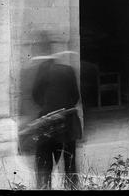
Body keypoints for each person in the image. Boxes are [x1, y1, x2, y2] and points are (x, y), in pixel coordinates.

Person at [31, 50, 82, 189]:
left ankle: (44, 187)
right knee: (70, 162)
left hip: (47, 121)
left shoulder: (43, 70)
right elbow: (75, 96)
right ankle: (71, 187)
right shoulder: (68, 70)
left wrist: (48, 108)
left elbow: (35, 95)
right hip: (67, 121)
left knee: (44, 163)